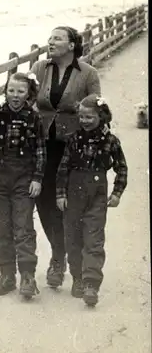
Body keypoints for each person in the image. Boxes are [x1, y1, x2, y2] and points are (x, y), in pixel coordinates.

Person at [29, 26, 101, 289]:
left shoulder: (88, 73)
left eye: (57, 38)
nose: (50, 41)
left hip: (73, 149)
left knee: (71, 205)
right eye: (49, 37)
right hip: (43, 145)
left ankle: (77, 269)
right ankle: (57, 257)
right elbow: (25, 99)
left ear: (72, 45)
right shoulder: (39, 68)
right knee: (44, 202)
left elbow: (97, 107)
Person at [0, 72, 46, 299]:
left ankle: (27, 276)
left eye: (21, 91)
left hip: (24, 178)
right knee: (0, 226)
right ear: (6, 91)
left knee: (23, 227)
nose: (15, 96)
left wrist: (37, 178)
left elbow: (41, 151)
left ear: (29, 94)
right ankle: (6, 275)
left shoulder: (34, 119)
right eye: (11, 91)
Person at [56, 94, 128, 306]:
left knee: (94, 240)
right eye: (82, 117)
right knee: (73, 238)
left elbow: (121, 168)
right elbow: (62, 169)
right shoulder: (73, 139)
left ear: (102, 116)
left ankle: (91, 284)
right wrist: (61, 194)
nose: (85, 121)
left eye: (90, 117)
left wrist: (116, 193)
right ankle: (78, 277)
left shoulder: (110, 141)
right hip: (73, 195)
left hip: (97, 195)